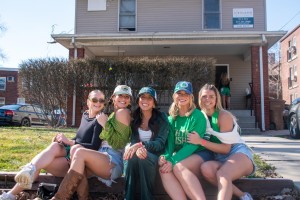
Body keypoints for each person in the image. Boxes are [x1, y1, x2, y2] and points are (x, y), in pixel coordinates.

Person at [0, 90, 105, 200]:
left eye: (101, 100)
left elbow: (94, 147)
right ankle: (15, 189)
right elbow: (80, 138)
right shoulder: (85, 115)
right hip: (72, 151)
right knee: (53, 147)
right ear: (88, 102)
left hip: (79, 163)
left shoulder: (100, 120)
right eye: (94, 100)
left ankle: (13, 191)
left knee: (39, 163)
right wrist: (62, 140)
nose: (98, 103)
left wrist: (69, 141)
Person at [51, 85, 132, 200]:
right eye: (120, 95)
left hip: (112, 160)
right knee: (75, 151)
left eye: (127, 97)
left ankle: (60, 198)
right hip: (101, 158)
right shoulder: (113, 115)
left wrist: (105, 124)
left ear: (130, 100)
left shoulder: (122, 112)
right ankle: (83, 197)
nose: (123, 99)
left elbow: (119, 144)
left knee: (78, 152)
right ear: (113, 97)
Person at [188, 84, 255, 200]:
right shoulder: (200, 117)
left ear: (216, 99)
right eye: (204, 96)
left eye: (211, 96)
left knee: (223, 174)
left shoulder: (223, 116)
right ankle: (243, 195)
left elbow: (226, 149)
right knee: (206, 169)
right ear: (199, 98)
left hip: (237, 153)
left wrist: (200, 141)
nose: (207, 99)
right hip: (218, 157)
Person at [158, 81, 212, 200]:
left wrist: (173, 160)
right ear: (174, 96)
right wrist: (166, 156)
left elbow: (192, 145)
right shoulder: (171, 118)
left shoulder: (198, 116)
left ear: (191, 97)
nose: (182, 96)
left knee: (177, 167)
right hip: (182, 156)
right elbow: (170, 142)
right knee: (163, 170)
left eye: (185, 94)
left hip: (200, 153)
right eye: (179, 93)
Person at [124, 87, 169, 200]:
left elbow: (160, 143)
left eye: (149, 98)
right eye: (142, 97)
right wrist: (138, 148)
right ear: (138, 100)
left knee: (144, 157)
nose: (145, 100)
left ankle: (147, 197)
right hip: (139, 152)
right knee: (130, 157)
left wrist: (142, 146)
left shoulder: (161, 117)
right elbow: (134, 140)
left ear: (154, 103)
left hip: (155, 155)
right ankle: (128, 196)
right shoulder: (134, 117)